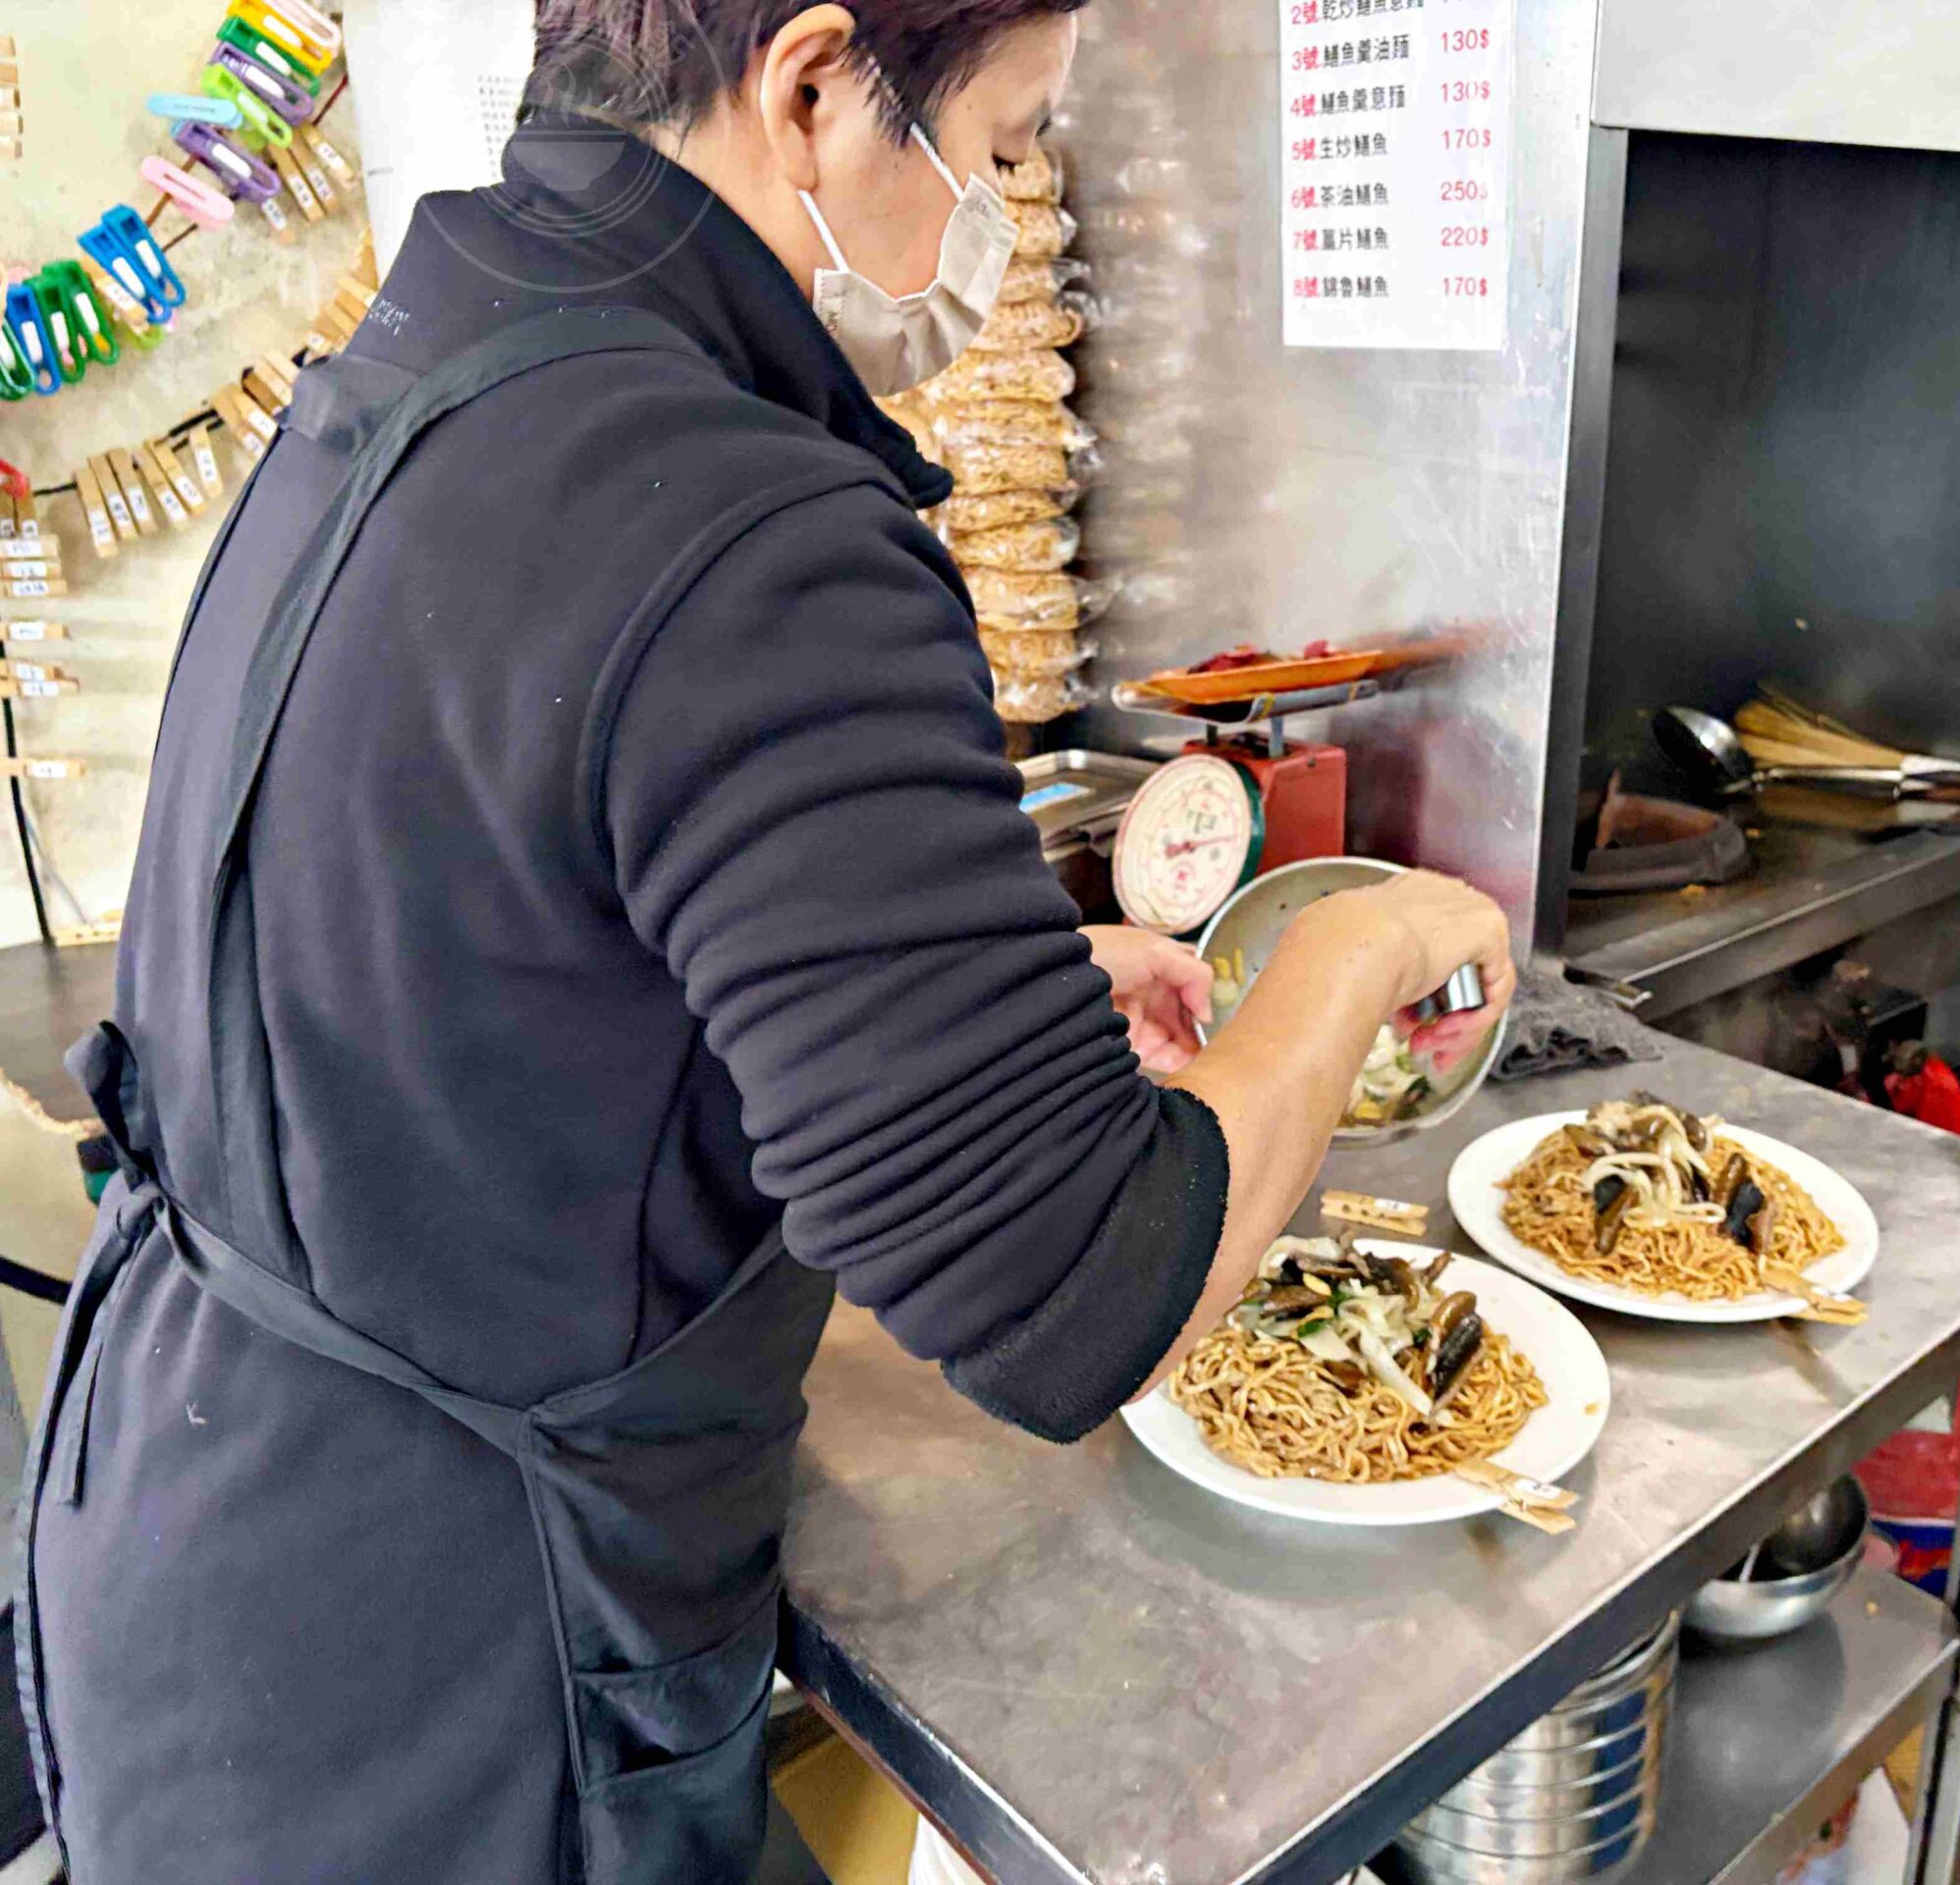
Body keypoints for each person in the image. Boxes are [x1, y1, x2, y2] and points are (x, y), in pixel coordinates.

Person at [14, 5, 1514, 1882]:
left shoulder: (428, 354)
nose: (999, 205)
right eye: (1002, 131)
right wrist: (1352, 951)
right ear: (811, 89)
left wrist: (980, 1021)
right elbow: (1079, 1294)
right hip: (456, 1693)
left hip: (190, 1533)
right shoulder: (745, 522)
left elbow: (523, 948)